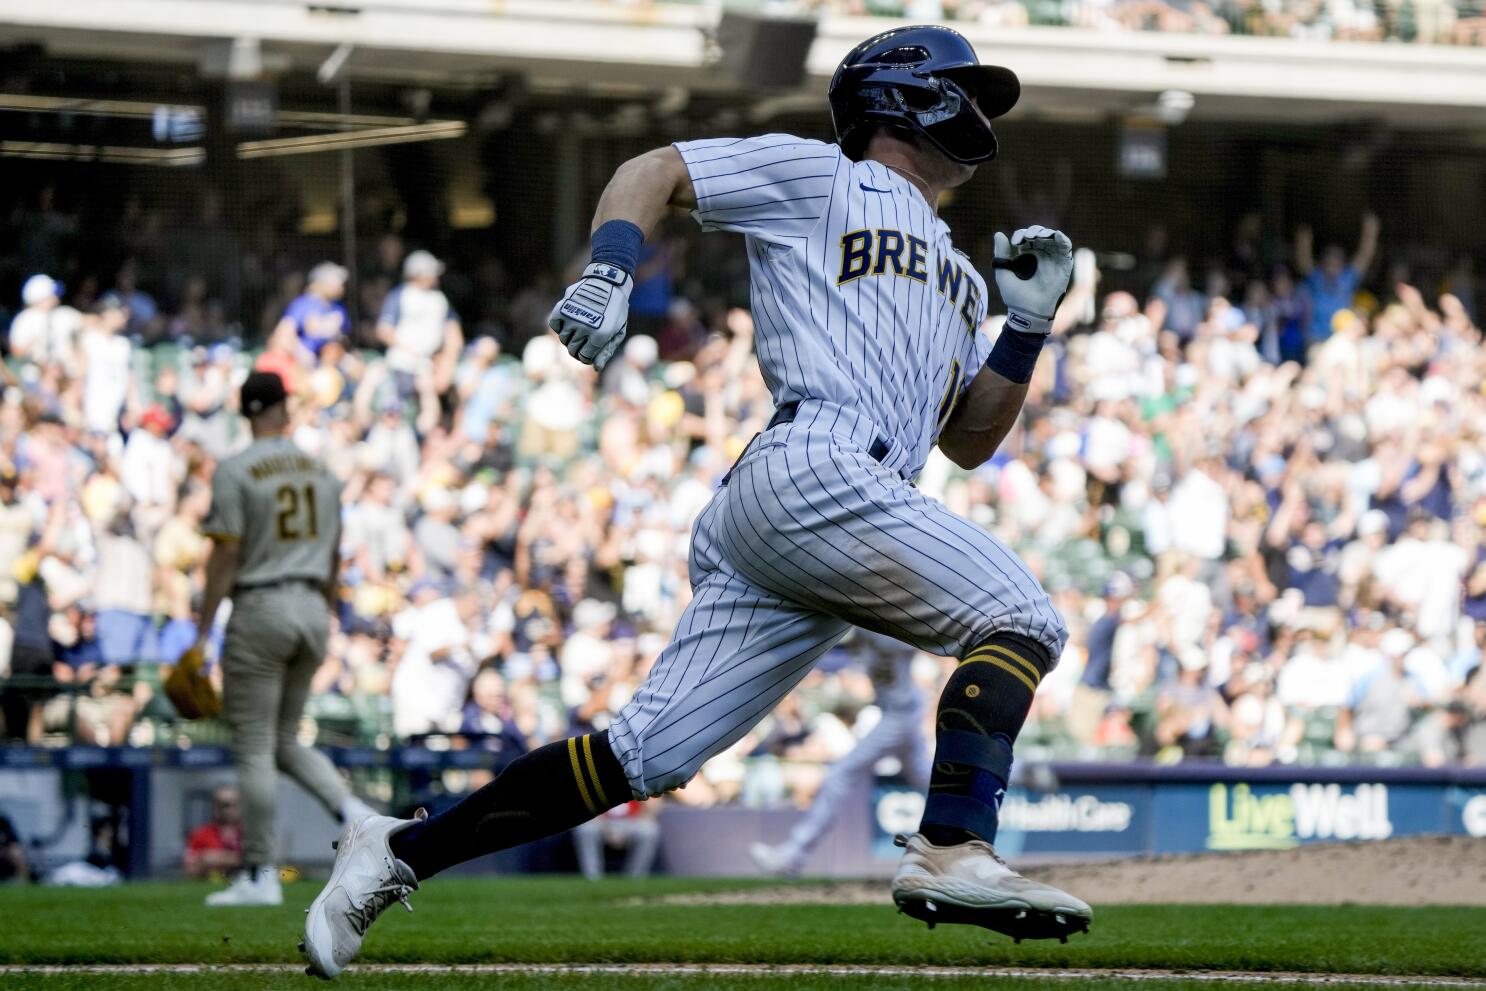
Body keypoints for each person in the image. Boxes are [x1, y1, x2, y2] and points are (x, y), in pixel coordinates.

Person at [302, 25, 1089, 978]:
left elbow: (969, 438)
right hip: (816, 461)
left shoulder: (965, 275)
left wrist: (1028, 326)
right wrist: (609, 268)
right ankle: (956, 847)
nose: (977, 109)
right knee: (1019, 617)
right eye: (964, 89)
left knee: (645, 755)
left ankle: (394, 851)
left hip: (827, 506)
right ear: (904, 94)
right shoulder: (822, 177)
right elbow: (656, 167)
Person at [194, 372, 373, 907]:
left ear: (247, 412)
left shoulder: (236, 468)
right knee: (284, 741)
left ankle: (260, 874)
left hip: (262, 603)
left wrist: (202, 629)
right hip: (313, 607)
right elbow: (337, 552)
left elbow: (225, 553)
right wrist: (327, 608)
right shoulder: (321, 471)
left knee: (252, 744)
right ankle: (356, 815)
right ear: (284, 408)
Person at [749, 631, 931, 877]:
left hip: (900, 715)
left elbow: (914, 636)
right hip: (898, 710)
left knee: (840, 775)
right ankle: (981, 802)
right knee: (926, 779)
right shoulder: (867, 627)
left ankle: (793, 855)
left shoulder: (889, 629)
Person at [271, 262, 351, 365]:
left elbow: (345, 339)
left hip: (334, 362)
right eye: (335, 281)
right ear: (321, 283)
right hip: (308, 365)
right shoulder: (302, 305)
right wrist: (301, 353)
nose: (340, 285)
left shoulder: (338, 308)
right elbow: (282, 337)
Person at [184, 786, 245, 880]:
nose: (230, 810)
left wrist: (217, 858)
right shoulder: (200, 834)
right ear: (215, 807)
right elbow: (189, 870)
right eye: (225, 805)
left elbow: (264, 862)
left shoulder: (249, 834)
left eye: (235, 805)